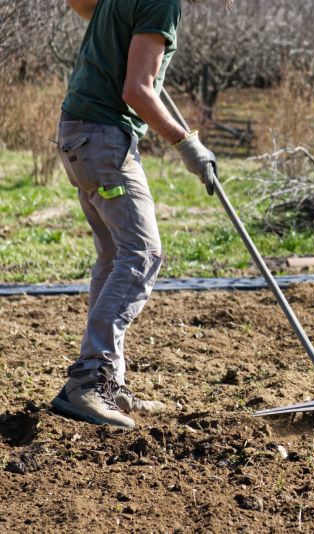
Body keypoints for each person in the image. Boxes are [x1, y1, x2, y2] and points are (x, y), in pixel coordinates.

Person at [52, 0, 226, 429]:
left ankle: (107, 380)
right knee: (142, 255)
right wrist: (187, 144)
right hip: (104, 138)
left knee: (114, 258)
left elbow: (80, 3)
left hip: (78, 133)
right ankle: (89, 380)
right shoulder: (163, 3)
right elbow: (137, 91)